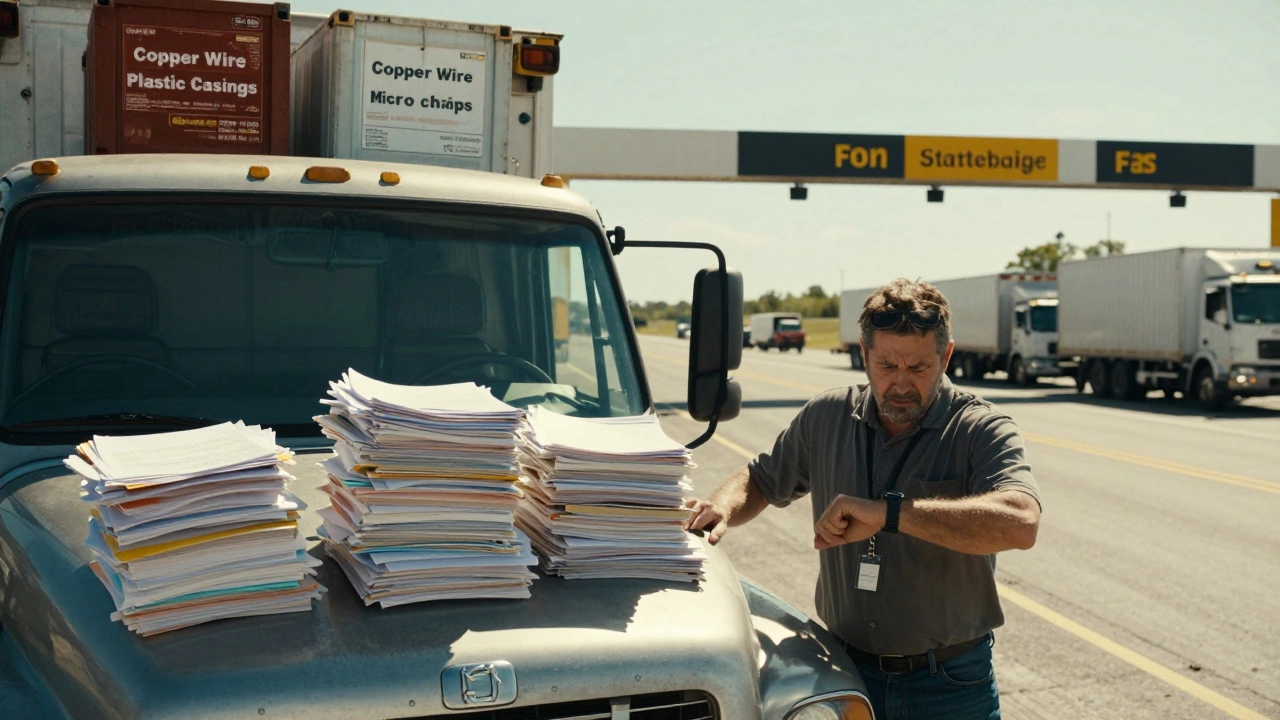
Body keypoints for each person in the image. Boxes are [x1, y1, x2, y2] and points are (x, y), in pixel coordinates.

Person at [685, 278, 1041, 720]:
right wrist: (722, 506)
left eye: (919, 368)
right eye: (887, 365)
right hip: (845, 671)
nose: (901, 383)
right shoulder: (826, 416)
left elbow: (1021, 523)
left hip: (948, 685)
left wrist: (892, 514)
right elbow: (760, 479)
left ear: (946, 356)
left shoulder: (981, 428)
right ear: (863, 353)